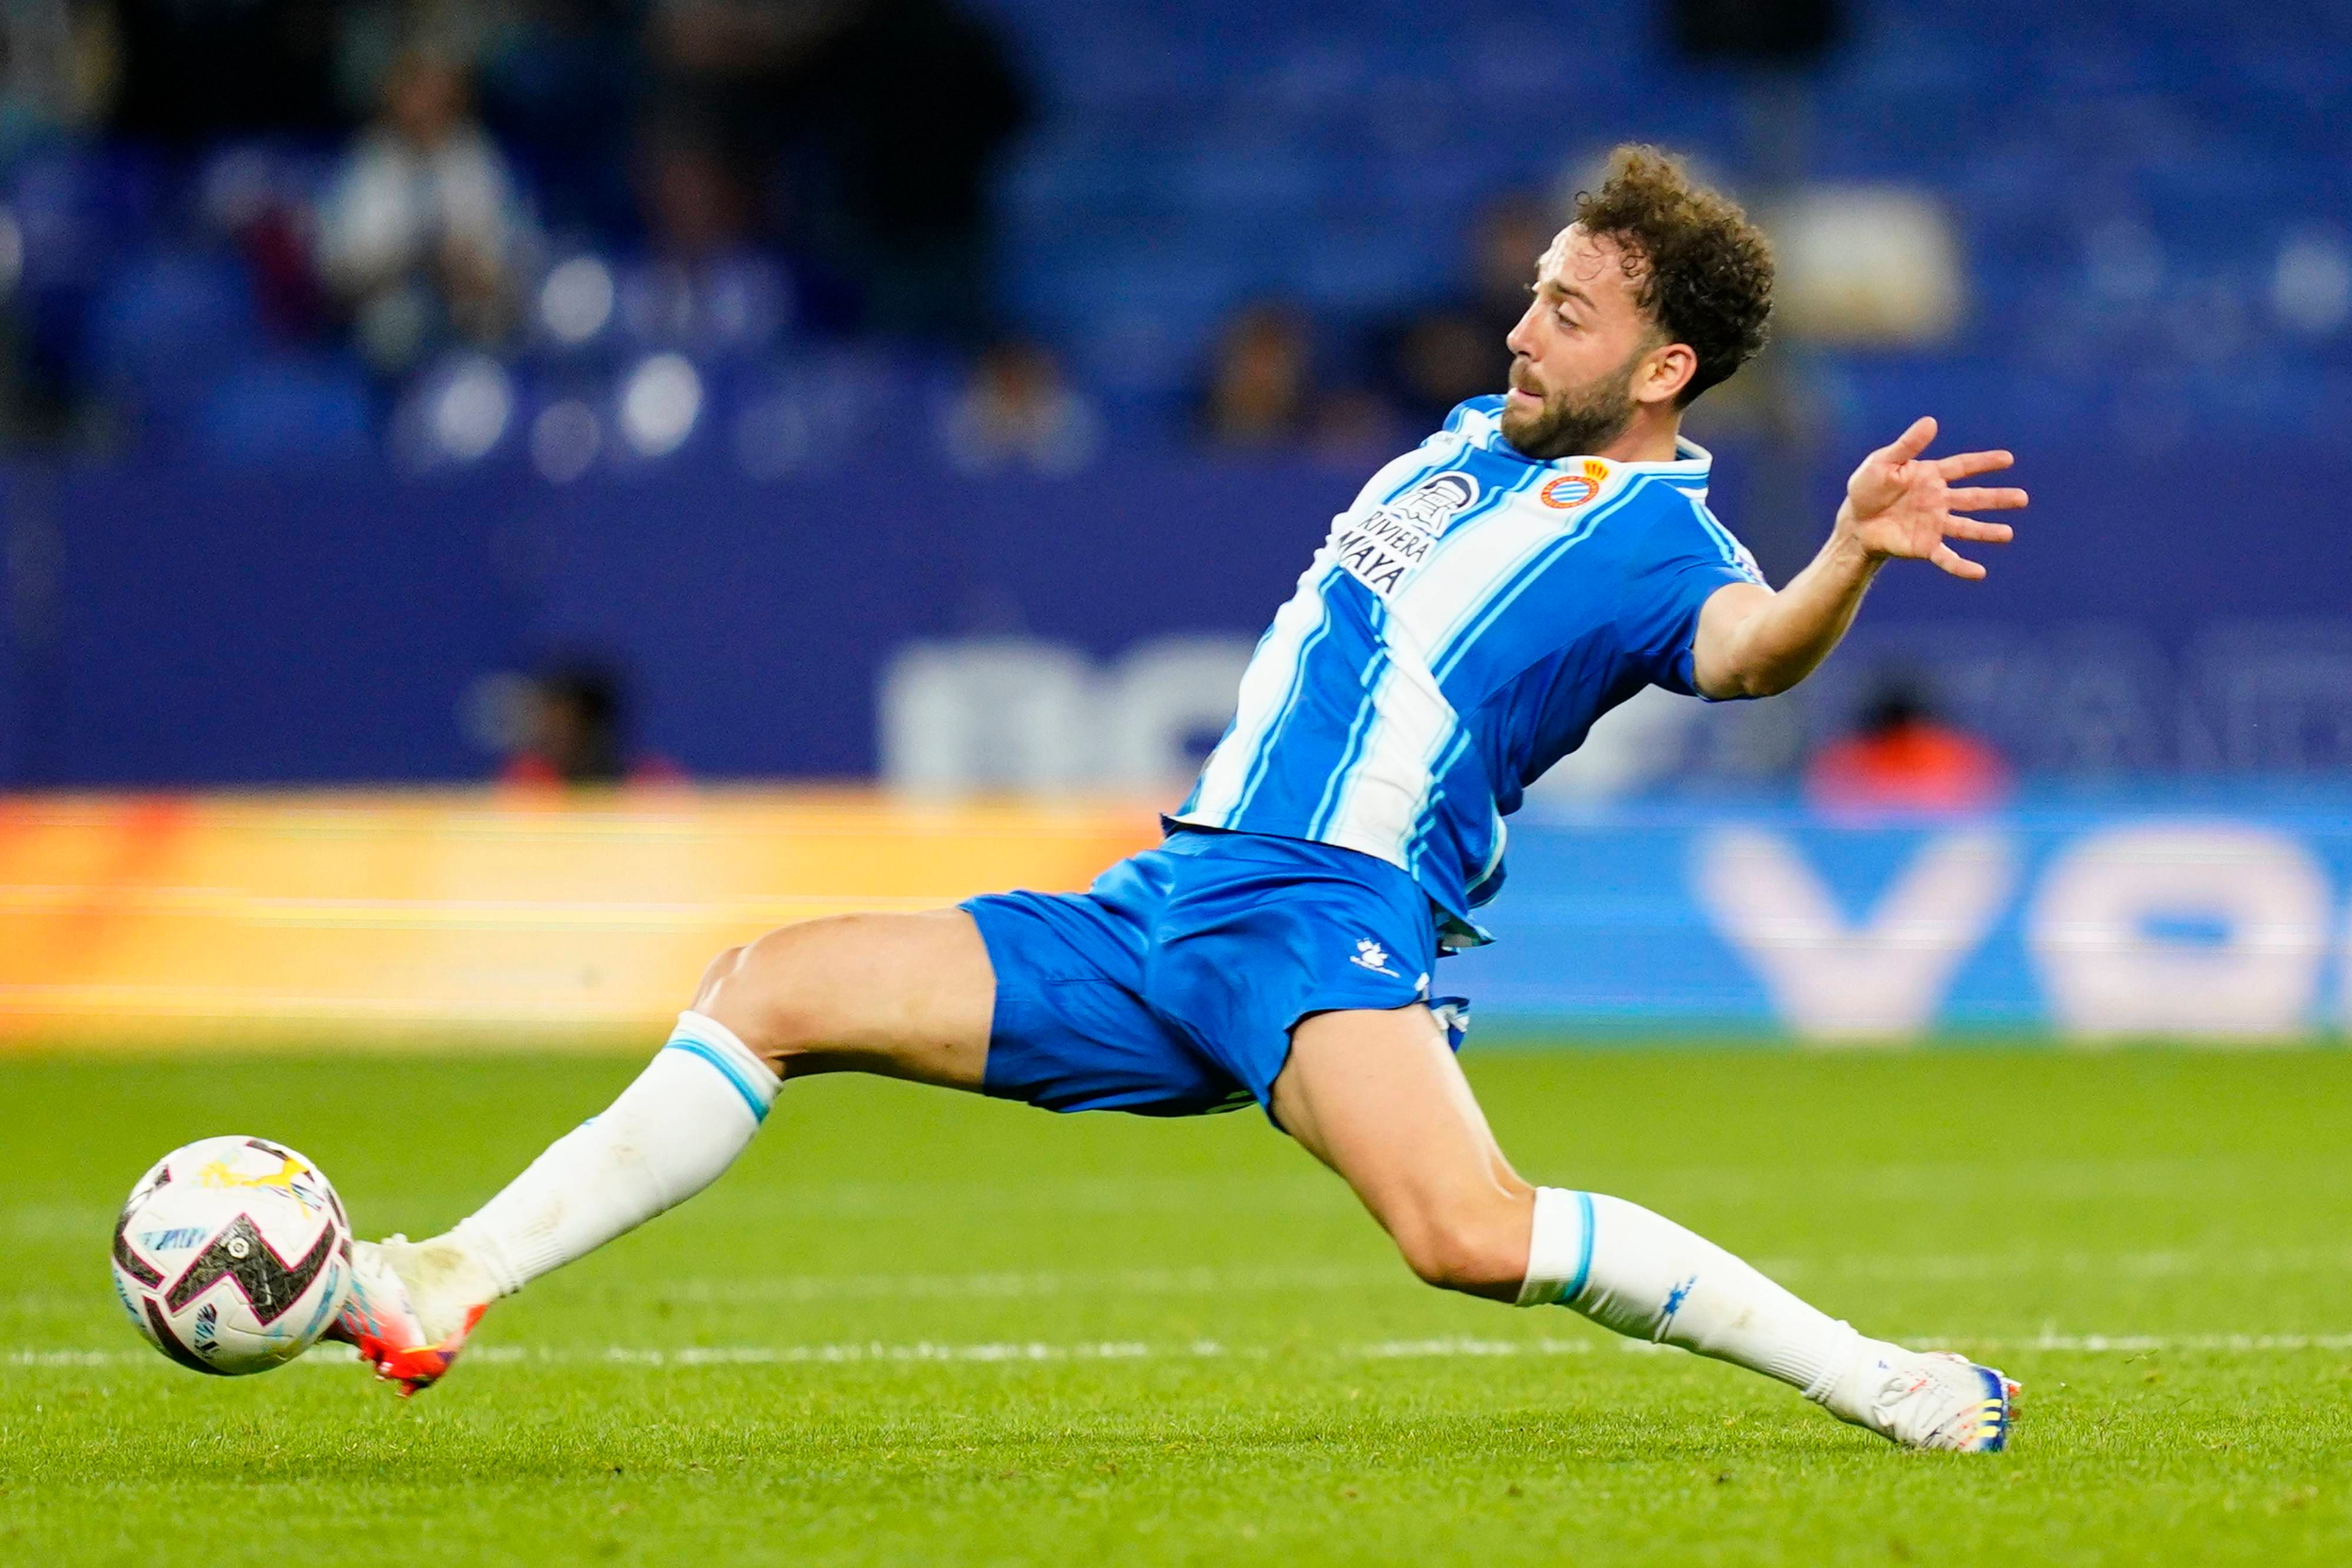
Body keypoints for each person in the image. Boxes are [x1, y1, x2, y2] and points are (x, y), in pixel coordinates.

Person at [329, 146, 2030, 1452]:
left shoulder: (1669, 541)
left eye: (1570, 316)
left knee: (1462, 1230)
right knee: (769, 986)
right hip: (1172, 902)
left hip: (1321, 909)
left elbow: (1749, 656)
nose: (1523, 327)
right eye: (1534, 291)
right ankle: (444, 1278)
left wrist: (1847, 559)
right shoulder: (1467, 433)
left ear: (1665, 369)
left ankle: (1878, 1378)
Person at [1806, 676, 2010, 811]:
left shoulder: (1954, 755)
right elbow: (1828, 807)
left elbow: (1986, 803)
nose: (1901, 738)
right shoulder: (1849, 759)